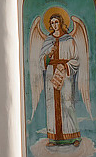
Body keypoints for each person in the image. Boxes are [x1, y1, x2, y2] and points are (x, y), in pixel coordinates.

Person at [29, 10, 89, 147]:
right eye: (52, 23)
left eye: (56, 22)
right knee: (52, 105)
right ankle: (54, 138)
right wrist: (48, 56)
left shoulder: (69, 40)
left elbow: (76, 60)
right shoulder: (48, 41)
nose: (54, 25)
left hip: (65, 74)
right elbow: (41, 62)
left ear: (61, 23)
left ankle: (74, 136)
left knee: (67, 103)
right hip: (51, 74)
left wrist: (65, 66)